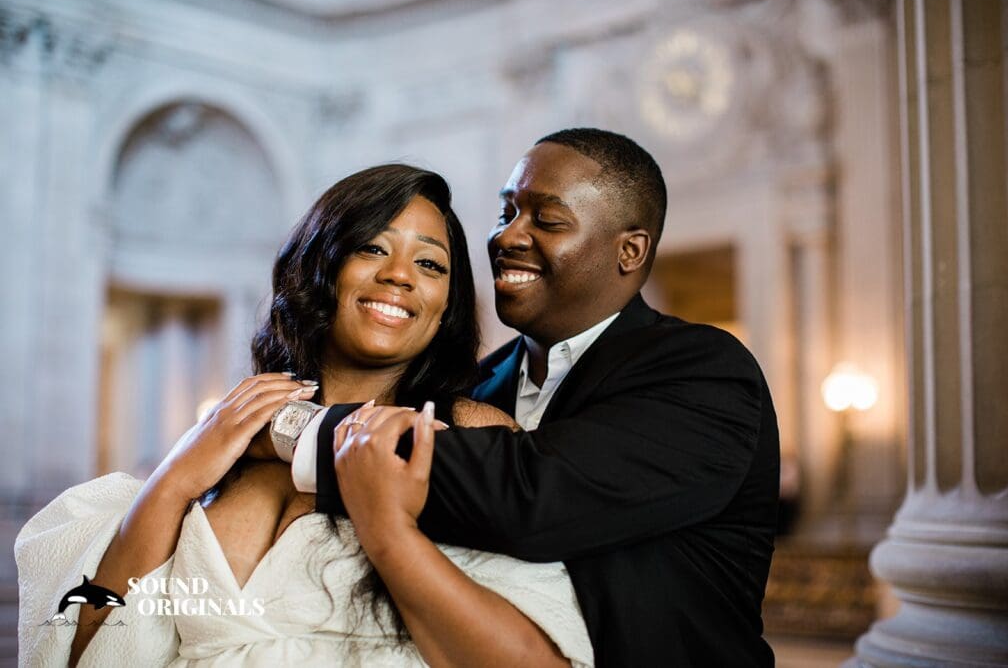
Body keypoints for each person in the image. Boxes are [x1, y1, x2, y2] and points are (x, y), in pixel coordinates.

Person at [15, 164, 594, 667]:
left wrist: (386, 526)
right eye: (372, 247)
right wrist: (174, 480)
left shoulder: (471, 436)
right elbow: (90, 647)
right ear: (319, 265)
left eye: (430, 264)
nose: (399, 274)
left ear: (446, 307)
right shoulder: (227, 443)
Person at [297, 128, 780, 666]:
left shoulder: (704, 371)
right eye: (506, 214)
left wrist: (290, 431)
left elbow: (530, 495)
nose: (508, 237)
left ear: (630, 250)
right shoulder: (474, 386)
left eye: (546, 221)